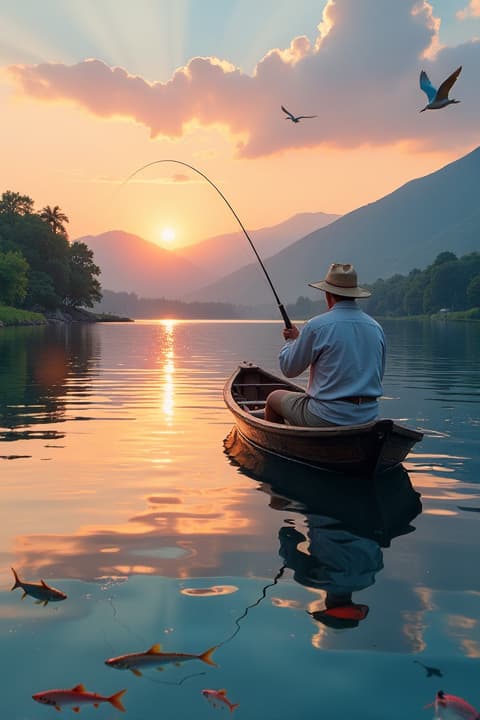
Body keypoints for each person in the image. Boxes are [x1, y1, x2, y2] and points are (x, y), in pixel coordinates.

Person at [265, 262, 386, 426]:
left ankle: (279, 448)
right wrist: (300, 339)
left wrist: (291, 341)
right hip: (368, 416)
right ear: (354, 295)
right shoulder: (376, 328)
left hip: (326, 416)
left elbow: (289, 369)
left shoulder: (316, 326)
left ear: (328, 294)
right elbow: (378, 374)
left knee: (273, 399)